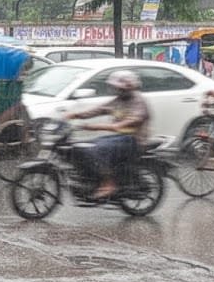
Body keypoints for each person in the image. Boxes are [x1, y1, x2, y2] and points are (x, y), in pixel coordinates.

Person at [65, 70, 151, 200]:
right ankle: (90, 178)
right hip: (120, 138)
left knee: (97, 149)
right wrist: (74, 115)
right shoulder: (118, 100)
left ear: (127, 88)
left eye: (118, 88)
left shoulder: (138, 101)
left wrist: (96, 126)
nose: (115, 90)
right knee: (82, 147)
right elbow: (98, 110)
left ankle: (108, 183)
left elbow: (129, 122)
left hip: (133, 140)